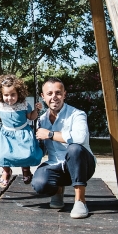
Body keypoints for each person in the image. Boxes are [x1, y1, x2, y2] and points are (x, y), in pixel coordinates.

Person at [32, 77, 96, 219]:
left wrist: (50, 134)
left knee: (74, 148)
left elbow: (80, 138)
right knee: (39, 184)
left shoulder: (77, 114)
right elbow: (40, 149)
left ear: (64, 94)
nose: (54, 97)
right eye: (49, 94)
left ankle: (80, 201)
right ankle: (58, 192)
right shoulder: (41, 120)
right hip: (56, 164)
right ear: (43, 97)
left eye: (58, 93)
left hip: (83, 165)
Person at [0, 74, 43, 188]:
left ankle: (26, 170)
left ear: (19, 93)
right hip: (6, 134)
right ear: (1, 94)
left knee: (26, 154)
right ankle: (6, 171)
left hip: (23, 133)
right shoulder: (0, 105)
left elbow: (31, 117)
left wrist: (36, 110)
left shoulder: (24, 105)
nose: (9, 98)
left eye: (13, 94)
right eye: (6, 95)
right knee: (2, 154)